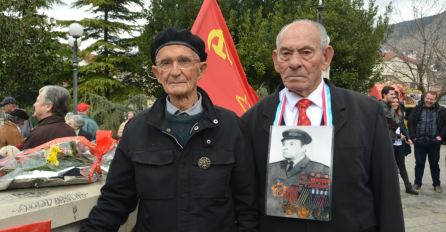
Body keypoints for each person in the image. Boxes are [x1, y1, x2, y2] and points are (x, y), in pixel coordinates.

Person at [81, 27, 259, 232]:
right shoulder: (137, 129)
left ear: (200, 70)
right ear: (157, 73)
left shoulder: (231, 127)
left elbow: (248, 209)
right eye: (166, 63)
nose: (175, 72)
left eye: (184, 61)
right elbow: (114, 203)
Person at [241, 20, 404, 231]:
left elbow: (387, 191)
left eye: (306, 52)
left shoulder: (367, 112)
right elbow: (246, 199)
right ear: (275, 60)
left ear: (326, 57)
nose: (294, 62)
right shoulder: (251, 120)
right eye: (286, 53)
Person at [267, 129, 329, 216]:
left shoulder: (322, 170)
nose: (285, 147)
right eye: (284, 144)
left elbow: (323, 208)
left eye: (291, 144)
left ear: (303, 148)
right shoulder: (271, 167)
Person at [408, 91, 446, 193]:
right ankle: (417, 183)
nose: (429, 101)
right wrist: (413, 137)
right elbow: (411, 123)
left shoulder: (441, 110)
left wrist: (441, 137)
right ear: (425, 98)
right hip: (419, 142)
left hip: (434, 142)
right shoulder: (417, 109)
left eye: (431, 99)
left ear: (435, 100)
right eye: (427, 98)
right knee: (419, 164)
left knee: (434, 164)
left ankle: (437, 184)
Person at [22, 86, 76, 150]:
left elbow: (23, 159)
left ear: (48, 107)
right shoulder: (70, 130)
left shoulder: (39, 134)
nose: (34, 105)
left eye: (37, 101)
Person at [391, 98, 418, 195]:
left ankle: (408, 187)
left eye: (396, 102)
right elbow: (385, 128)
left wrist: (408, 138)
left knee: (402, 166)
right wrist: (399, 136)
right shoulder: (387, 114)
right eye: (393, 102)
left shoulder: (400, 114)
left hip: (399, 144)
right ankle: (392, 188)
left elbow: (403, 128)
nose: (395, 104)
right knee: (391, 167)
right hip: (391, 143)